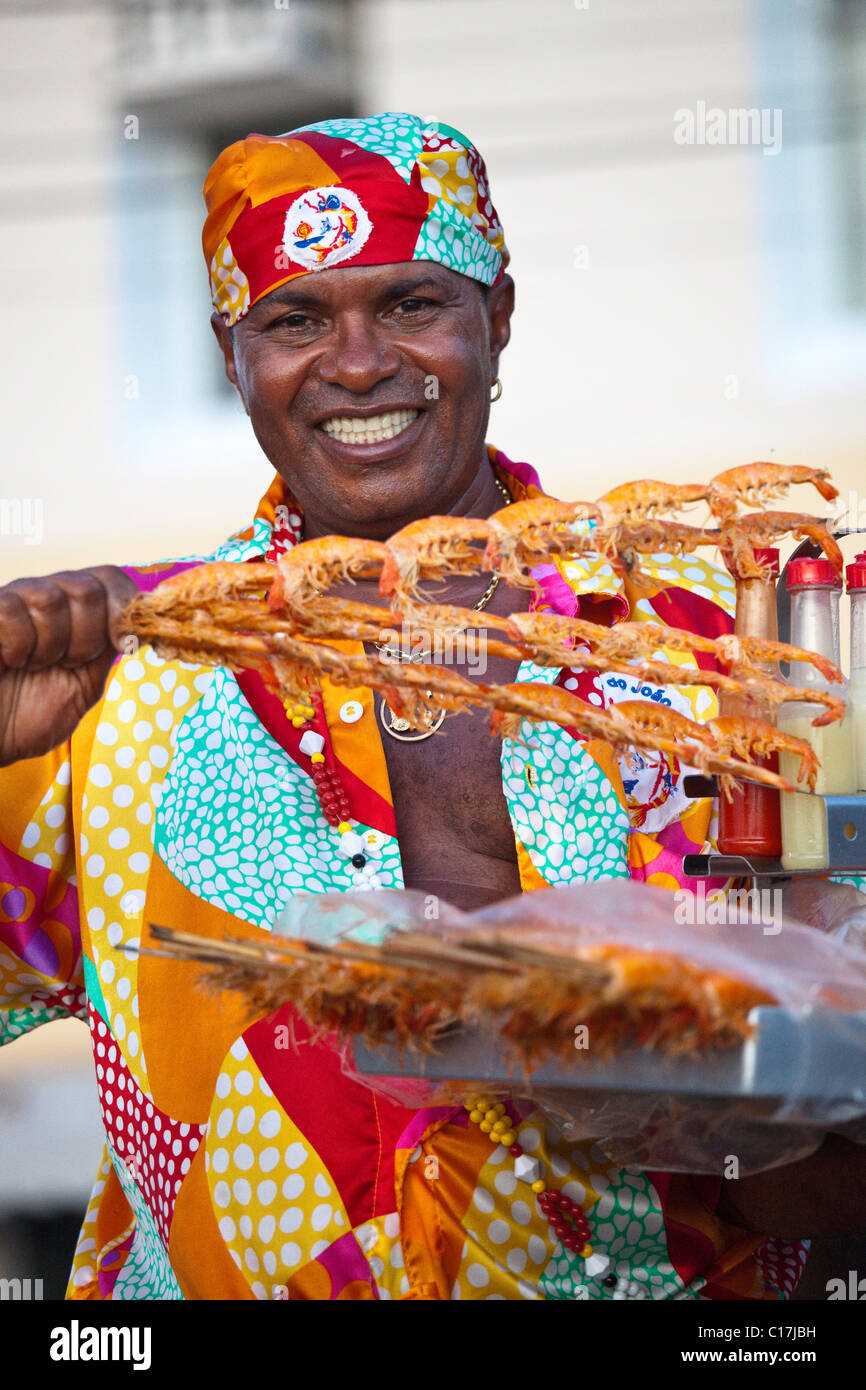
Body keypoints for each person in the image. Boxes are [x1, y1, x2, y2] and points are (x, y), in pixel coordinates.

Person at [0, 112, 863, 1302]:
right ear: (228, 351)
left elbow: (819, 1149)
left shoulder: (710, 638)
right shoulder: (112, 686)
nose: (356, 365)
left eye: (410, 304)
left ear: (496, 316)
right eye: (295, 319)